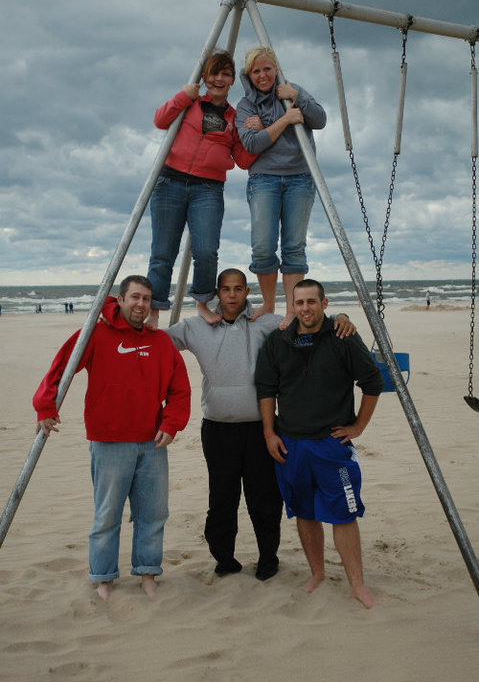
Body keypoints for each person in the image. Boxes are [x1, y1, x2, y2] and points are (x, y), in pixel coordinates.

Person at [165, 268, 356, 581]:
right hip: (218, 429)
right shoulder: (195, 326)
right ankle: (224, 560)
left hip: (261, 430)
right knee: (221, 499)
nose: (232, 295)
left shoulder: (266, 323)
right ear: (217, 293)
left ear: (247, 292)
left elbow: (309, 320)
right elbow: (154, 341)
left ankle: (268, 558)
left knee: (264, 499)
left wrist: (341, 316)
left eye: (238, 288)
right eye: (226, 289)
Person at [33, 275, 191, 600]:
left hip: (152, 443)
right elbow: (62, 365)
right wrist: (45, 405)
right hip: (109, 442)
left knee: (153, 514)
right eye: (134, 297)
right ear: (119, 299)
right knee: (107, 515)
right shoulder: (97, 333)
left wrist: (172, 423)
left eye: (146, 299)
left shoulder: (161, 342)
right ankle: (103, 577)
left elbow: (180, 390)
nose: (140, 304)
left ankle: (147, 572)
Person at [255, 279, 383, 608]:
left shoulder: (343, 335)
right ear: (292, 306)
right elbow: (266, 389)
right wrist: (269, 433)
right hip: (291, 444)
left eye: (311, 301)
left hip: (331, 445)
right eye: (299, 303)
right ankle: (317, 573)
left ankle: (357, 585)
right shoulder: (278, 340)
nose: (305, 308)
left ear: (324, 304)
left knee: (343, 514)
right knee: (305, 512)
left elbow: (372, 381)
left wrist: (359, 426)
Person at [146, 50, 257, 328]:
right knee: (162, 253)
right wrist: (183, 96)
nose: (219, 79)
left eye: (226, 74)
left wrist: (255, 131)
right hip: (170, 182)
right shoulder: (190, 102)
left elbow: (244, 160)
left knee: (206, 251)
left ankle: (202, 304)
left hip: (208, 189)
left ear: (232, 80)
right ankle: (154, 311)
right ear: (205, 77)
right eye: (214, 73)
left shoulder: (234, 117)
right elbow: (160, 120)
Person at [235, 46, 327, 328]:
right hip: (264, 178)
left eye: (267, 69)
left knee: (294, 246)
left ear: (276, 69)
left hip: (301, 177)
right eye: (256, 71)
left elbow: (320, 120)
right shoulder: (246, 106)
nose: (262, 75)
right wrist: (286, 119)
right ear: (248, 74)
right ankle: (268, 303)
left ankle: (291, 310)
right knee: (263, 246)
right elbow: (252, 144)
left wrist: (296, 98)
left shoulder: (292, 90)